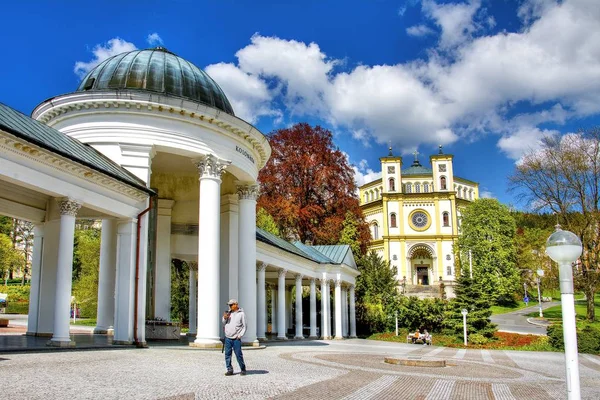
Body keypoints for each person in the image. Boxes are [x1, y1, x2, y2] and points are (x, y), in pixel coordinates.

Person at [222, 299, 247, 376]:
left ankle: (243, 369)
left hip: (236, 338)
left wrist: (240, 335)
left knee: (238, 354)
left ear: (236, 304)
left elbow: (245, 326)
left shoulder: (241, 314)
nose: (230, 306)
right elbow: (223, 322)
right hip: (228, 338)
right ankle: (229, 369)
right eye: (229, 305)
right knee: (227, 355)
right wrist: (224, 317)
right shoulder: (228, 313)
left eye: (231, 305)